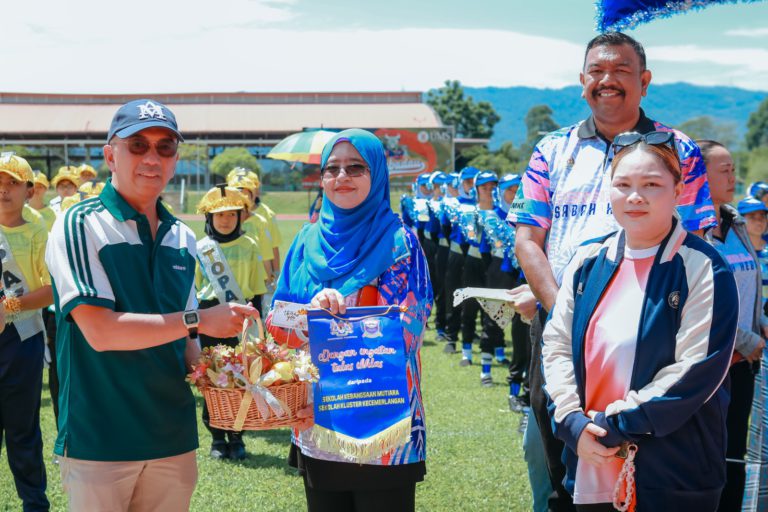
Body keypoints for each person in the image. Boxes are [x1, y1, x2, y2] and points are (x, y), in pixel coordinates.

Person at [508, 32, 717, 511]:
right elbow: (528, 240)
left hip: (656, 328)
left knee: (644, 452)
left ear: (645, 81)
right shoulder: (551, 149)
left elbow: (698, 240)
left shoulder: (678, 149)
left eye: (621, 70)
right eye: (597, 71)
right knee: (563, 455)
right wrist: (570, 319)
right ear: (582, 80)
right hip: (561, 327)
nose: (608, 80)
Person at [45, 99, 259, 511]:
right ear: (111, 155)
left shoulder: (182, 236)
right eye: (137, 145)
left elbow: (186, 343)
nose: (151, 157)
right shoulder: (80, 223)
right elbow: (101, 332)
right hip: (100, 439)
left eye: (165, 147)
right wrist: (200, 319)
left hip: (172, 438)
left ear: (175, 160)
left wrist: (236, 382)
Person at [543, 135, 738, 511]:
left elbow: (695, 371)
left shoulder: (703, 267)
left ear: (678, 191)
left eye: (651, 184)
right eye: (623, 184)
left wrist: (610, 426)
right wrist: (570, 421)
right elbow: (556, 345)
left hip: (672, 475)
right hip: (590, 465)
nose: (635, 197)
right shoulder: (588, 259)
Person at [265, 129, 432, 512]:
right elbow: (276, 324)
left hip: (383, 424)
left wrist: (336, 320)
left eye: (356, 167)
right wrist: (309, 314)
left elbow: (407, 332)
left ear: (377, 174)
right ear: (322, 178)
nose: (342, 177)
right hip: (316, 423)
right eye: (332, 168)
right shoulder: (305, 242)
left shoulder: (399, 244)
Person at [696, 140, 767, 511]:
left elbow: (747, 283)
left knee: (735, 448)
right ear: (698, 173)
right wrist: (744, 338)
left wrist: (760, 325)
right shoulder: (689, 228)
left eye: (733, 169)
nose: (732, 177)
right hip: (710, 362)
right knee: (708, 452)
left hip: (744, 361)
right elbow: (701, 299)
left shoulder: (736, 222)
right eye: (724, 170)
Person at [195, 185, 269, 460]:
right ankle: (217, 436)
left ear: (240, 217)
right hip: (209, 316)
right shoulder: (202, 248)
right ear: (209, 217)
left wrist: (257, 326)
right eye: (219, 215)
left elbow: (257, 286)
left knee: (241, 378)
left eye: (231, 214)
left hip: (242, 317)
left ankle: (237, 437)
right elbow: (195, 287)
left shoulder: (249, 245)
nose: (225, 220)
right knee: (213, 377)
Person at [0, 153, 53, 511]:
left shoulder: (38, 233)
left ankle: (34, 503)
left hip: (22, 340)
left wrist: (8, 308)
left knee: (22, 429)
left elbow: (52, 290)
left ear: (29, 191)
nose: (4, 190)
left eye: (13, 183)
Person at [738, 196, 768, 311]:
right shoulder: (735, 254)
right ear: (740, 220)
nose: (759, 221)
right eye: (752, 217)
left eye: (762, 216)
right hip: (745, 315)